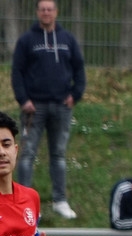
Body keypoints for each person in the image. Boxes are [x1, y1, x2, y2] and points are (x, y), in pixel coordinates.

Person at [10, 0, 86, 220]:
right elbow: (17, 72)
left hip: (61, 106)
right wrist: (23, 99)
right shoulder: (26, 40)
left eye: (49, 9)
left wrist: (76, 94)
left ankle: (60, 201)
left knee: (58, 155)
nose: (46, 12)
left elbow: (79, 68)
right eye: (42, 9)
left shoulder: (67, 39)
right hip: (34, 108)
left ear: (56, 12)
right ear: (37, 12)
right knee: (27, 155)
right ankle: (25, 205)